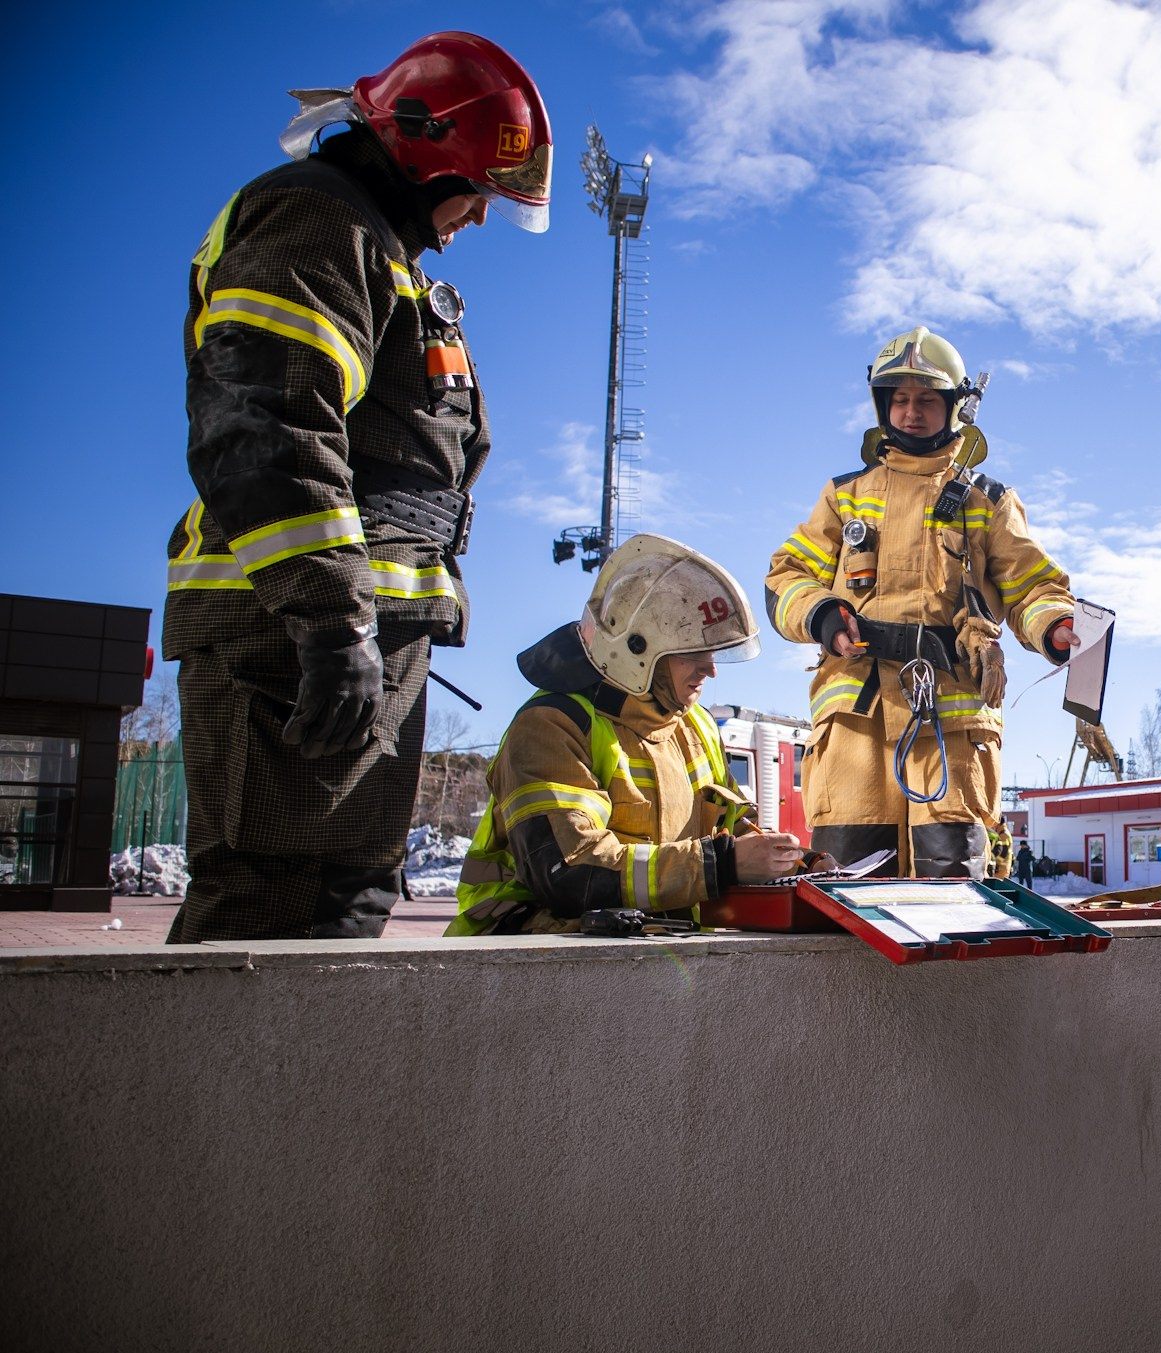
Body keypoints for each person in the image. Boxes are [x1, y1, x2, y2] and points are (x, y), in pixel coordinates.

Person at [163, 34, 552, 942]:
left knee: (342, 908)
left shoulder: (382, 256)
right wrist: (334, 623)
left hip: (357, 637)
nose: (480, 219)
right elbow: (271, 427)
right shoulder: (315, 221)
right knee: (267, 910)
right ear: (423, 157)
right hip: (292, 642)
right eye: (477, 191)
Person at [764, 328, 1081, 878]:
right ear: (883, 405)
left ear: (955, 407)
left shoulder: (988, 500)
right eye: (900, 399)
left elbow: (1032, 585)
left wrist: (1055, 625)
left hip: (951, 728)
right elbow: (786, 576)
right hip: (854, 728)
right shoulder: (845, 496)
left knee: (955, 889)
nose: (912, 412)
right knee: (850, 886)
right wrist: (820, 614)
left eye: (928, 399)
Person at [448, 536, 806, 934]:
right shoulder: (551, 725)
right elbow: (568, 874)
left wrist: (795, 860)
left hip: (646, 952)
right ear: (635, 652)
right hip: (527, 960)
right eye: (693, 652)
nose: (712, 669)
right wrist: (722, 863)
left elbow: (734, 828)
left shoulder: (696, 725)